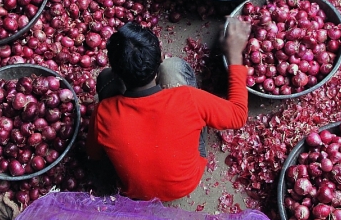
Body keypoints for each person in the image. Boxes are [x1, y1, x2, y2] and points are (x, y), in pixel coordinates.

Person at [86, 17, 251, 202]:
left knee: (104, 79)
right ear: (156, 63)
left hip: (138, 194)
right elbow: (239, 115)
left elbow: (93, 154)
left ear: (119, 74)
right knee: (174, 67)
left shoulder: (103, 113)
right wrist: (235, 56)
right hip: (185, 184)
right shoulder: (188, 99)